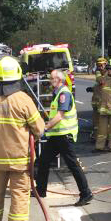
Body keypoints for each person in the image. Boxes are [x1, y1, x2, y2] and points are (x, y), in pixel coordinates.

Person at [0, 57, 45, 221]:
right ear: (17, 76)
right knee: (19, 197)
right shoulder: (23, 100)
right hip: (18, 160)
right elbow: (39, 129)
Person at [36, 70, 93, 206]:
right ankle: (40, 190)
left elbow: (60, 115)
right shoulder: (57, 94)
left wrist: (46, 127)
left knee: (73, 165)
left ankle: (86, 193)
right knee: (43, 161)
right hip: (56, 136)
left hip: (64, 136)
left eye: (52, 78)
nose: (50, 81)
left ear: (59, 80)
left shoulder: (64, 94)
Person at [87, 57, 108, 141]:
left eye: (101, 65)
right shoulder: (101, 74)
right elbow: (99, 86)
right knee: (96, 123)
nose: (100, 67)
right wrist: (92, 89)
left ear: (105, 64)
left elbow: (101, 81)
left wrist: (98, 73)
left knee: (104, 121)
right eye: (98, 65)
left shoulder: (107, 74)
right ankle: (96, 137)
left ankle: (105, 138)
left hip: (104, 103)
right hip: (96, 103)